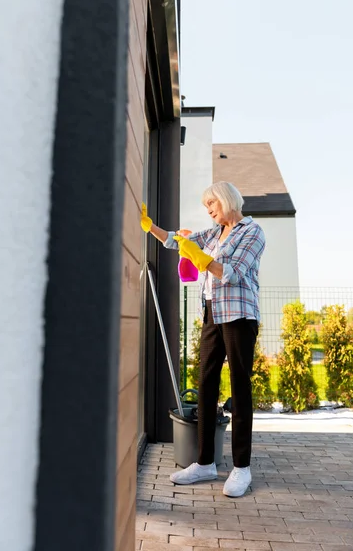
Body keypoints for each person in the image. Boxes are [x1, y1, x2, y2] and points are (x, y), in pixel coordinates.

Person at [140, 181, 265, 497]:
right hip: (212, 313)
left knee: (240, 387)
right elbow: (177, 242)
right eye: (206, 207)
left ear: (226, 200)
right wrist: (149, 226)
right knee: (206, 385)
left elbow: (233, 273)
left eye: (212, 204)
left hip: (239, 315)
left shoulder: (252, 233)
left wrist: (202, 260)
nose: (209, 211)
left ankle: (241, 468)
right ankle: (205, 462)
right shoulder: (215, 232)